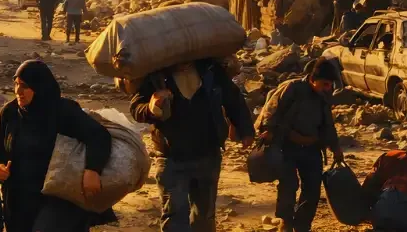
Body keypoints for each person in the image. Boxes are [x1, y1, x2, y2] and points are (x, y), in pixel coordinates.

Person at [0, 60, 113, 232]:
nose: (18, 91)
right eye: (16, 84)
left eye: (24, 86)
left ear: (39, 87)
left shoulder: (63, 112)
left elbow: (99, 136)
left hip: (58, 198)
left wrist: (93, 169)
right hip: (18, 200)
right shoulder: (9, 114)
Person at [131, 59, 255, 232]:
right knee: (174, 215)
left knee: (204, 215)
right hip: (172, 156)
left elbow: (233, 99)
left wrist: (246, 130)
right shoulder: (156, 75)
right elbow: (136, 108)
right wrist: (152, 107)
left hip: (208, 153)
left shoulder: (210, 70)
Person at [260, 60, 344, 232]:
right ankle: (285, 221)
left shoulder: (324, 96)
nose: (328, 88)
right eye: (325, 84)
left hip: (312, 147)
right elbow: (272, 109)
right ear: (313, 79)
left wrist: (335, 147)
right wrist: (269, 130)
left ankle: (302, 225)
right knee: (288, 185)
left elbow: (328, 124)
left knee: (312, 188)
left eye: (330, 85)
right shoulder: (293, 88)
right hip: (287, 145)